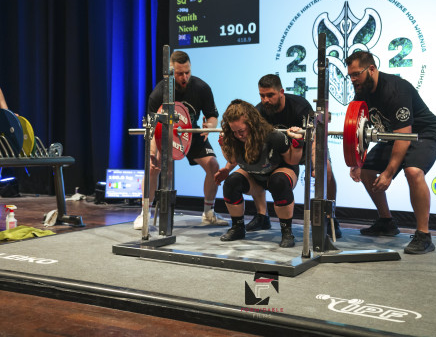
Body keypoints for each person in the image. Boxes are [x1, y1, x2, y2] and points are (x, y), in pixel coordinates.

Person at [345, 51, 436, 254]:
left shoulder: (395, 89)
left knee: (413, 171)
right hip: (395, 136)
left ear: (371, 69)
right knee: (366, 172)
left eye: (356, 74)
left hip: (424, 134)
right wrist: (356, 161)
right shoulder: (362, 91)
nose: (353, 79)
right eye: (350, 75)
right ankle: (386, 222)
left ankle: (423, 235)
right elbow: (356, 128)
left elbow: (404, 136)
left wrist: (389, 173)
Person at [134, 51, 227, 229]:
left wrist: (208, 126)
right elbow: (152, 128)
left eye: (187, 72)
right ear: (170, 73)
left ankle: (208, 213)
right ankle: (144, 214)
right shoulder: (158, 94)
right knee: (153, 168)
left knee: (213, 166)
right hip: (164, 135)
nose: (184, 77)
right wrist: (153, 154)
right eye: (179, 73)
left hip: (190, 133)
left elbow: (212, 116)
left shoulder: (201, 88)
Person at [243, 74, 342, 238]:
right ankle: (262, 216)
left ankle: (330, 217)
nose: (265, 100)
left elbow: (315, 137)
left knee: (327, 172)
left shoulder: (299, 106)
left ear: (281, 92)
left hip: (306, 144)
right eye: (262, 95)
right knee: (257, 165)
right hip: (281, 150)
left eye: (270, 95)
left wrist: (316, 164)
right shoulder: (259, 111)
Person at [214, 99, 304, 247]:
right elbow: (232, 158)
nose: (239, 135)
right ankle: (238, 228)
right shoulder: (233, 137)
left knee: (278, 182)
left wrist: (298, 144)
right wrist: (226, 168)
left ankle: (287, 232)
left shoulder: (273, 136)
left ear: (252, 124)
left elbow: (292, 160)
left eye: (241, 131)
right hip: (255, 175)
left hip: (281, 171)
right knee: (231, 183)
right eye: (234, 132)